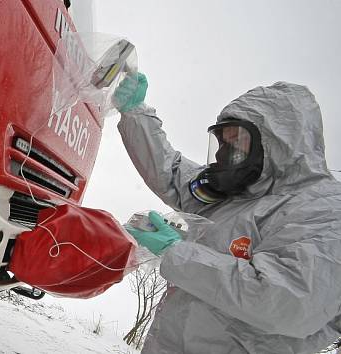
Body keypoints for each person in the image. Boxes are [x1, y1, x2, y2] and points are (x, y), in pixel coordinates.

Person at [114, 74, 341, 354]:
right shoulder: (239, 191)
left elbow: (287, 301)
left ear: (276, 144)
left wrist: (177, 252)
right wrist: (136, 112)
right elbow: (172, 174)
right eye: (221, 141)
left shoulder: (325, 209)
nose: (223, 154)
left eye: (236, 142)